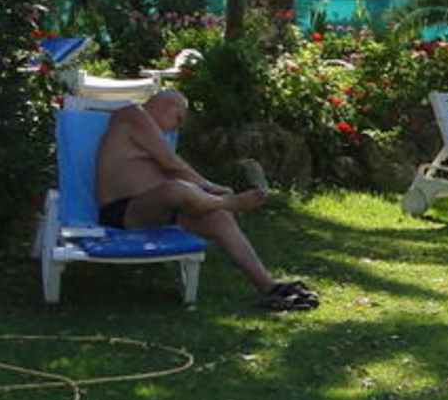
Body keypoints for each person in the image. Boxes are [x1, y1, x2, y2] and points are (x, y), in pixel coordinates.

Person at [95, 90, 318, 311]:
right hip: (123, 211)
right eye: (178, 119)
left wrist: (208, 193)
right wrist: (213, 189)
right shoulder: (131, 114)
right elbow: (171, 163)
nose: (175, 128)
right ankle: (229, 203)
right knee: (177, 189)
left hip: (160, 210)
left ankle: (268, 287)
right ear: (167, 105)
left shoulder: (149, 135)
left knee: (219, 218)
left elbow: (173, 170)